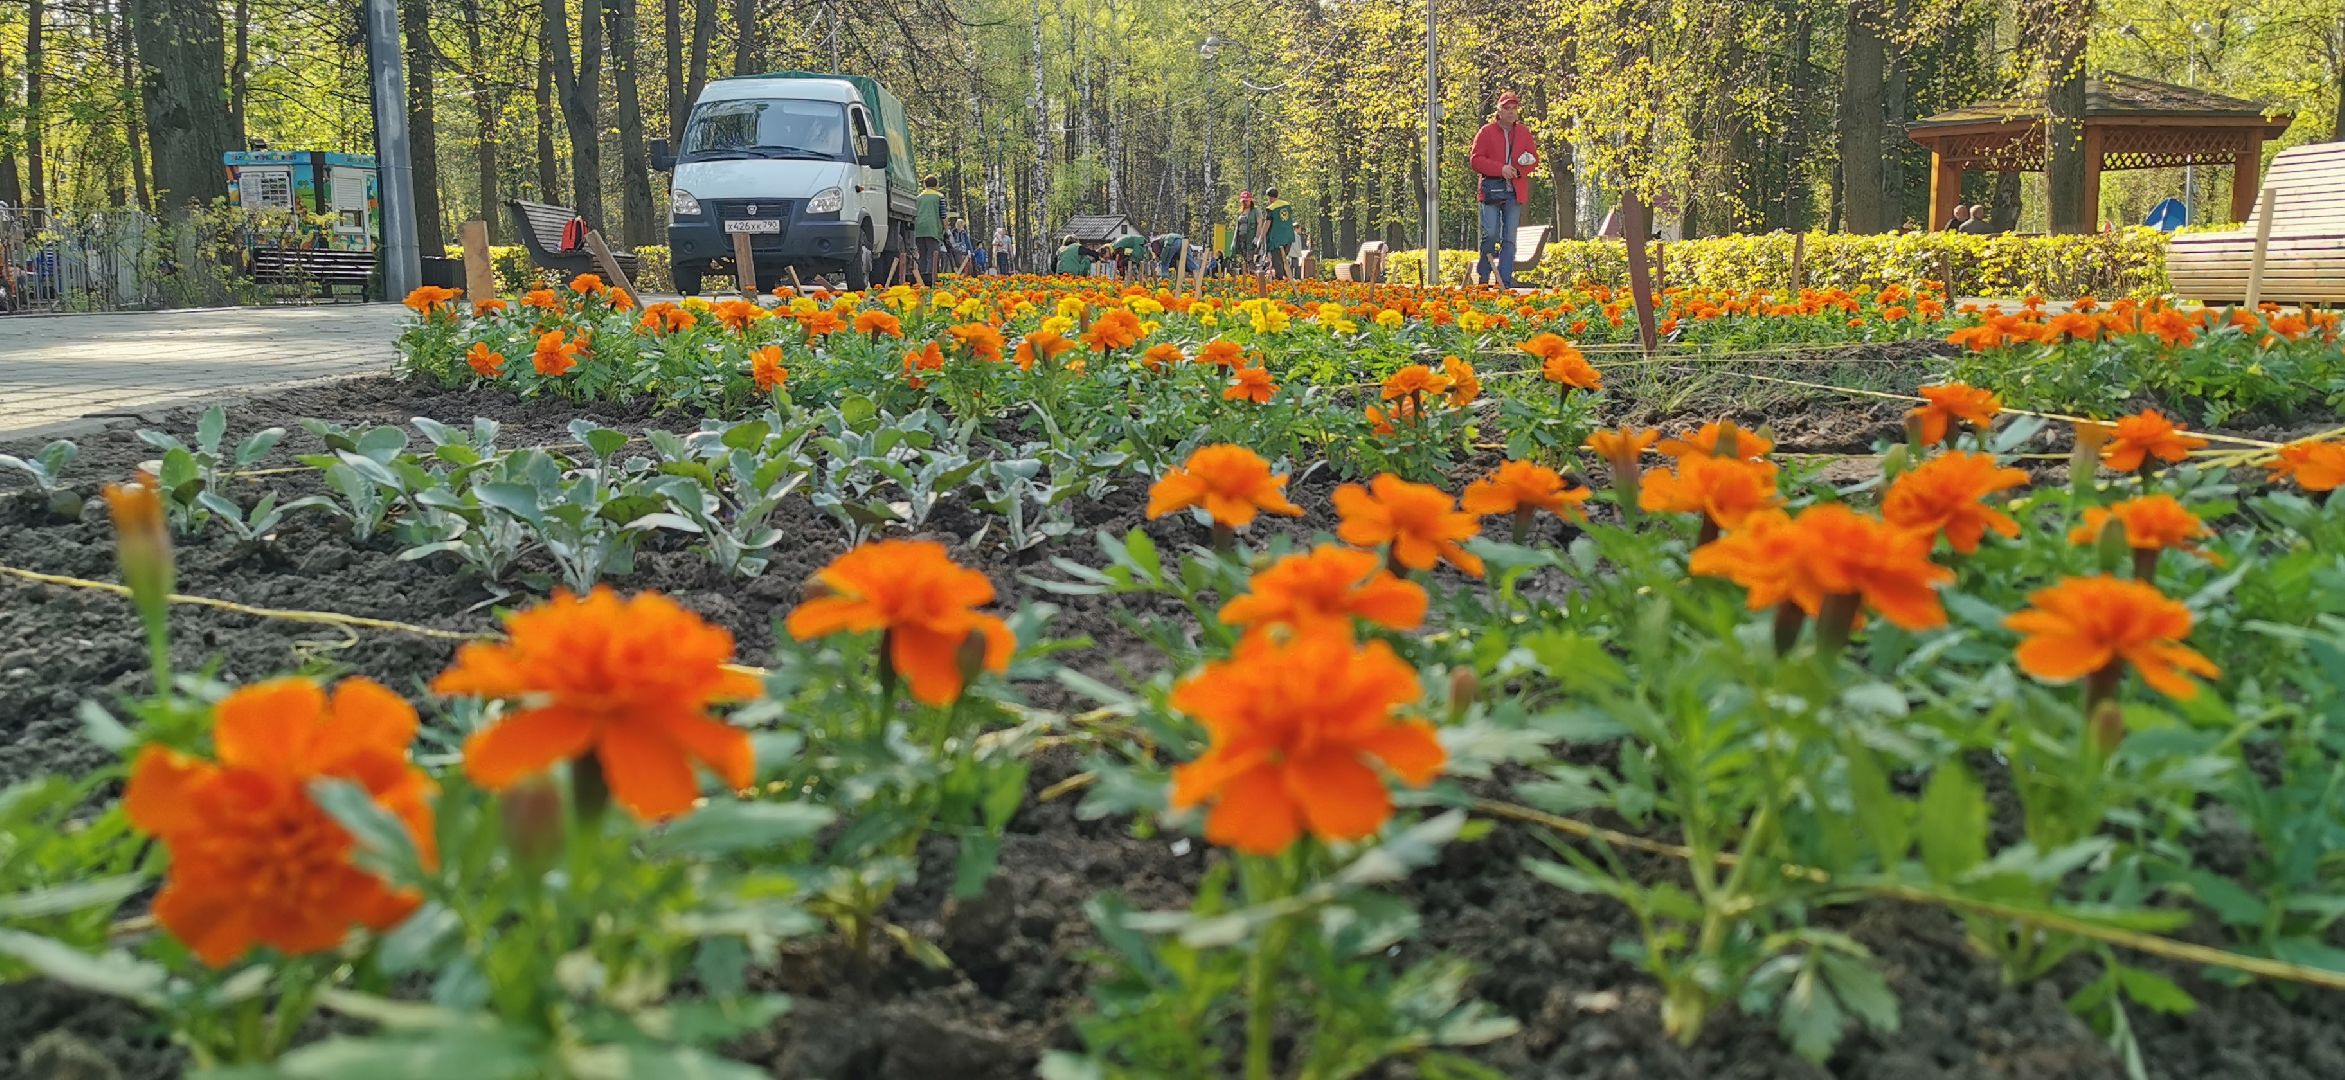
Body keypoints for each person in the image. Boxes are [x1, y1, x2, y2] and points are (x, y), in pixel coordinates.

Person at [1469, 92, 1540, 289]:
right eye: (1506, 108)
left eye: (1514, 108)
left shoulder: (1524, 132)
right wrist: (1500, 169)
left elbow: (1533, 158)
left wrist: (1519, 170)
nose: (1510, 112)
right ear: (1498, 111)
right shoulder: (1486, 132)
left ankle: (1504, 282)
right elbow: (1475, 160)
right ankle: (1484, 276)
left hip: (1514, 192)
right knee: (1490, 234)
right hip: (1491, 192)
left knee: (1509, 238)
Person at [1257, 187, 1297, 278]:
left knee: (1277, 262)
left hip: (1276, 240)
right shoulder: (1287, 205)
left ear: (1269, 197)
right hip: (1288, 238)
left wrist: (1261, 238)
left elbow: (1267, 224)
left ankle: (1280, 282)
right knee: (1284, 260)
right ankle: (1289, 279)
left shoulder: (1271, 209)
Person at [913, 176, 947, 282]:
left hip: (919, 229)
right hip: (933, 229)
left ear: (924, 184)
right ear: (937, 185)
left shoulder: (918, 197)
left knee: (922, 256)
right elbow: (943, 215)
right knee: (932, 256)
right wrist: (946, 230)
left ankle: (921, 280)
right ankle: (930, 281)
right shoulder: (939, 197)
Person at [1228, 192, 1261, 275]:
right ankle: (1246, 277)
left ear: (1250, 200)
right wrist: (1234, 241)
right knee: (1244, 259)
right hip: (1241, 239)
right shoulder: (1241, 211)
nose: (1245, 203)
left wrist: (1257, 237)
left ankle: (1253, 276)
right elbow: (1237, 227)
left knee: (1250, 258)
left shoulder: (1256, 210)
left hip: (1251, 239)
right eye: (1243, 201)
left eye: (1246, 201)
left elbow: (1259, 224)